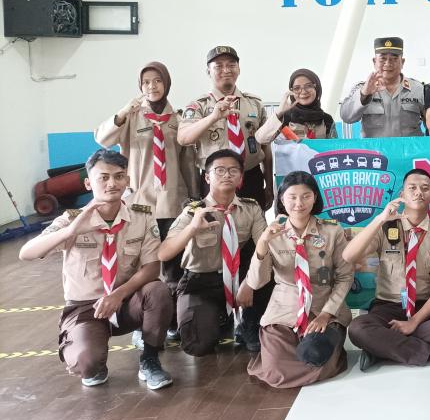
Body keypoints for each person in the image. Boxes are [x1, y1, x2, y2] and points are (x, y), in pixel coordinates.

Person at [19, 149, 174, 389]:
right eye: (103, 177)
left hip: (126, 302)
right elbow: (26, 253)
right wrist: (70, 232)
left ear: (127, 180)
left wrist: (118, 295)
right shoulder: (72, 219)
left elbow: (152, 267)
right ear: (88, 183)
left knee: (158, 290)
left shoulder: (141, 217)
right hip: (85, 307)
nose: (112, 183)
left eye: (119, 176)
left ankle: (150, 359)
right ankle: (94, 357)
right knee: (88, 365)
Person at [94, 61, 198, 316]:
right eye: (146, 82)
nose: (152, 86)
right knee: (140, 264)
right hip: (141, 201)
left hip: (173, 201)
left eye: (158, 81)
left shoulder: (178, 119)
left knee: (173, 264)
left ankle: (172, 320)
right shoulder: (131, 117)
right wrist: (123, 112)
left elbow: (187, 162)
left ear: (167, 84)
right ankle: (141, 317)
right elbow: (103, 139)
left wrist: (194, 196)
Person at [344, 169, 430, 369]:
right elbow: (348, 256)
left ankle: (383, 348)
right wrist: (380, 219)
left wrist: (414, 322)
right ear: (402, 195)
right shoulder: (385, 228)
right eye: (412, 188)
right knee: (357, 329)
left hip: (426, 308)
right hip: (388, 306)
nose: (419, 192)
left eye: (425, 188)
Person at [157, 149, 270, 355]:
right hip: (201, 282)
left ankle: (248, 323)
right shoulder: (193, 211)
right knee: (197, 346)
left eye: (233, 170)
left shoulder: (251, 208)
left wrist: (250, 283)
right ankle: (219, 317)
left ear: (241, 178)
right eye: (219, 170)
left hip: (239, 278)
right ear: (207, 177)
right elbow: (164, 253)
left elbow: (265, 247)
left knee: (270, 274)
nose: (227, 175)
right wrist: (192, 228)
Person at [246, 172, 353, 388]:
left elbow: (344, 276)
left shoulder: (332, 231)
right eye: (292, 197)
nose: (299, 203)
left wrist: (326, 315)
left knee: (315, 355)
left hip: (324, 306)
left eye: (306, 196)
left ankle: (330, 354)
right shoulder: (271, 234)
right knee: (275, 371)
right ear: (282, 199)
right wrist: (263, 244)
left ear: (315, 198)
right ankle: (279, 360)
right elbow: (257, 283)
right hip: (284, 310)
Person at [177, 46, 272, 209]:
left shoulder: (255, 104)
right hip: (215, 180)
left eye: (231, 65)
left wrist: (269, 184)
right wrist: (213, 117)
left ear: (239, 69)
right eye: (219, 66)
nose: (226, 70)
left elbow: (265, 147)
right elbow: (183, 138)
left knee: (254, 224)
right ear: (208, 71)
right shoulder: (199, 106)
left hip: (251, 177)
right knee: (216, 224)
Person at [339, 37, 427, 137]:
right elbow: (347, 117)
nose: (388, 63)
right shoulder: (362, 88)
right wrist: (364, 95)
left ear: (402, 62)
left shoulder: (418, 89)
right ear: (374, 61)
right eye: (383, 59)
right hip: (373, 147)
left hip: (410, 147)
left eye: (394, 59)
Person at [256, 68, 337, 145]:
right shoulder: (285, 118)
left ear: (317, 88)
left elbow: (334, 147)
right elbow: (261, 139)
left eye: (308, 86)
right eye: (297, 88)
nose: (303, 92)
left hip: (320, 156)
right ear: (291, 92)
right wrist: (279, 112)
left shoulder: (326, 119)